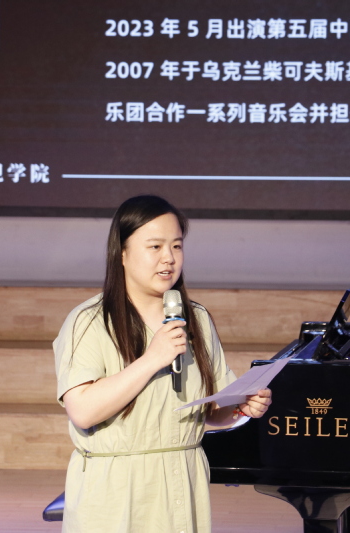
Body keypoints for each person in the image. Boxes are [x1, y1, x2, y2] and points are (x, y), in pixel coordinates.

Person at [54, 195, 272, 533]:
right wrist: (152, 359)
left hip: (183, 480)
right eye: (155, 246)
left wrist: (243, 405)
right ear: (122, 253)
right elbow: (82, 411)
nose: (168, 258)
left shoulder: (196, 319)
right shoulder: (90, 321)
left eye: (176, 246)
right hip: (116, 493)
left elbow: (212, 411)